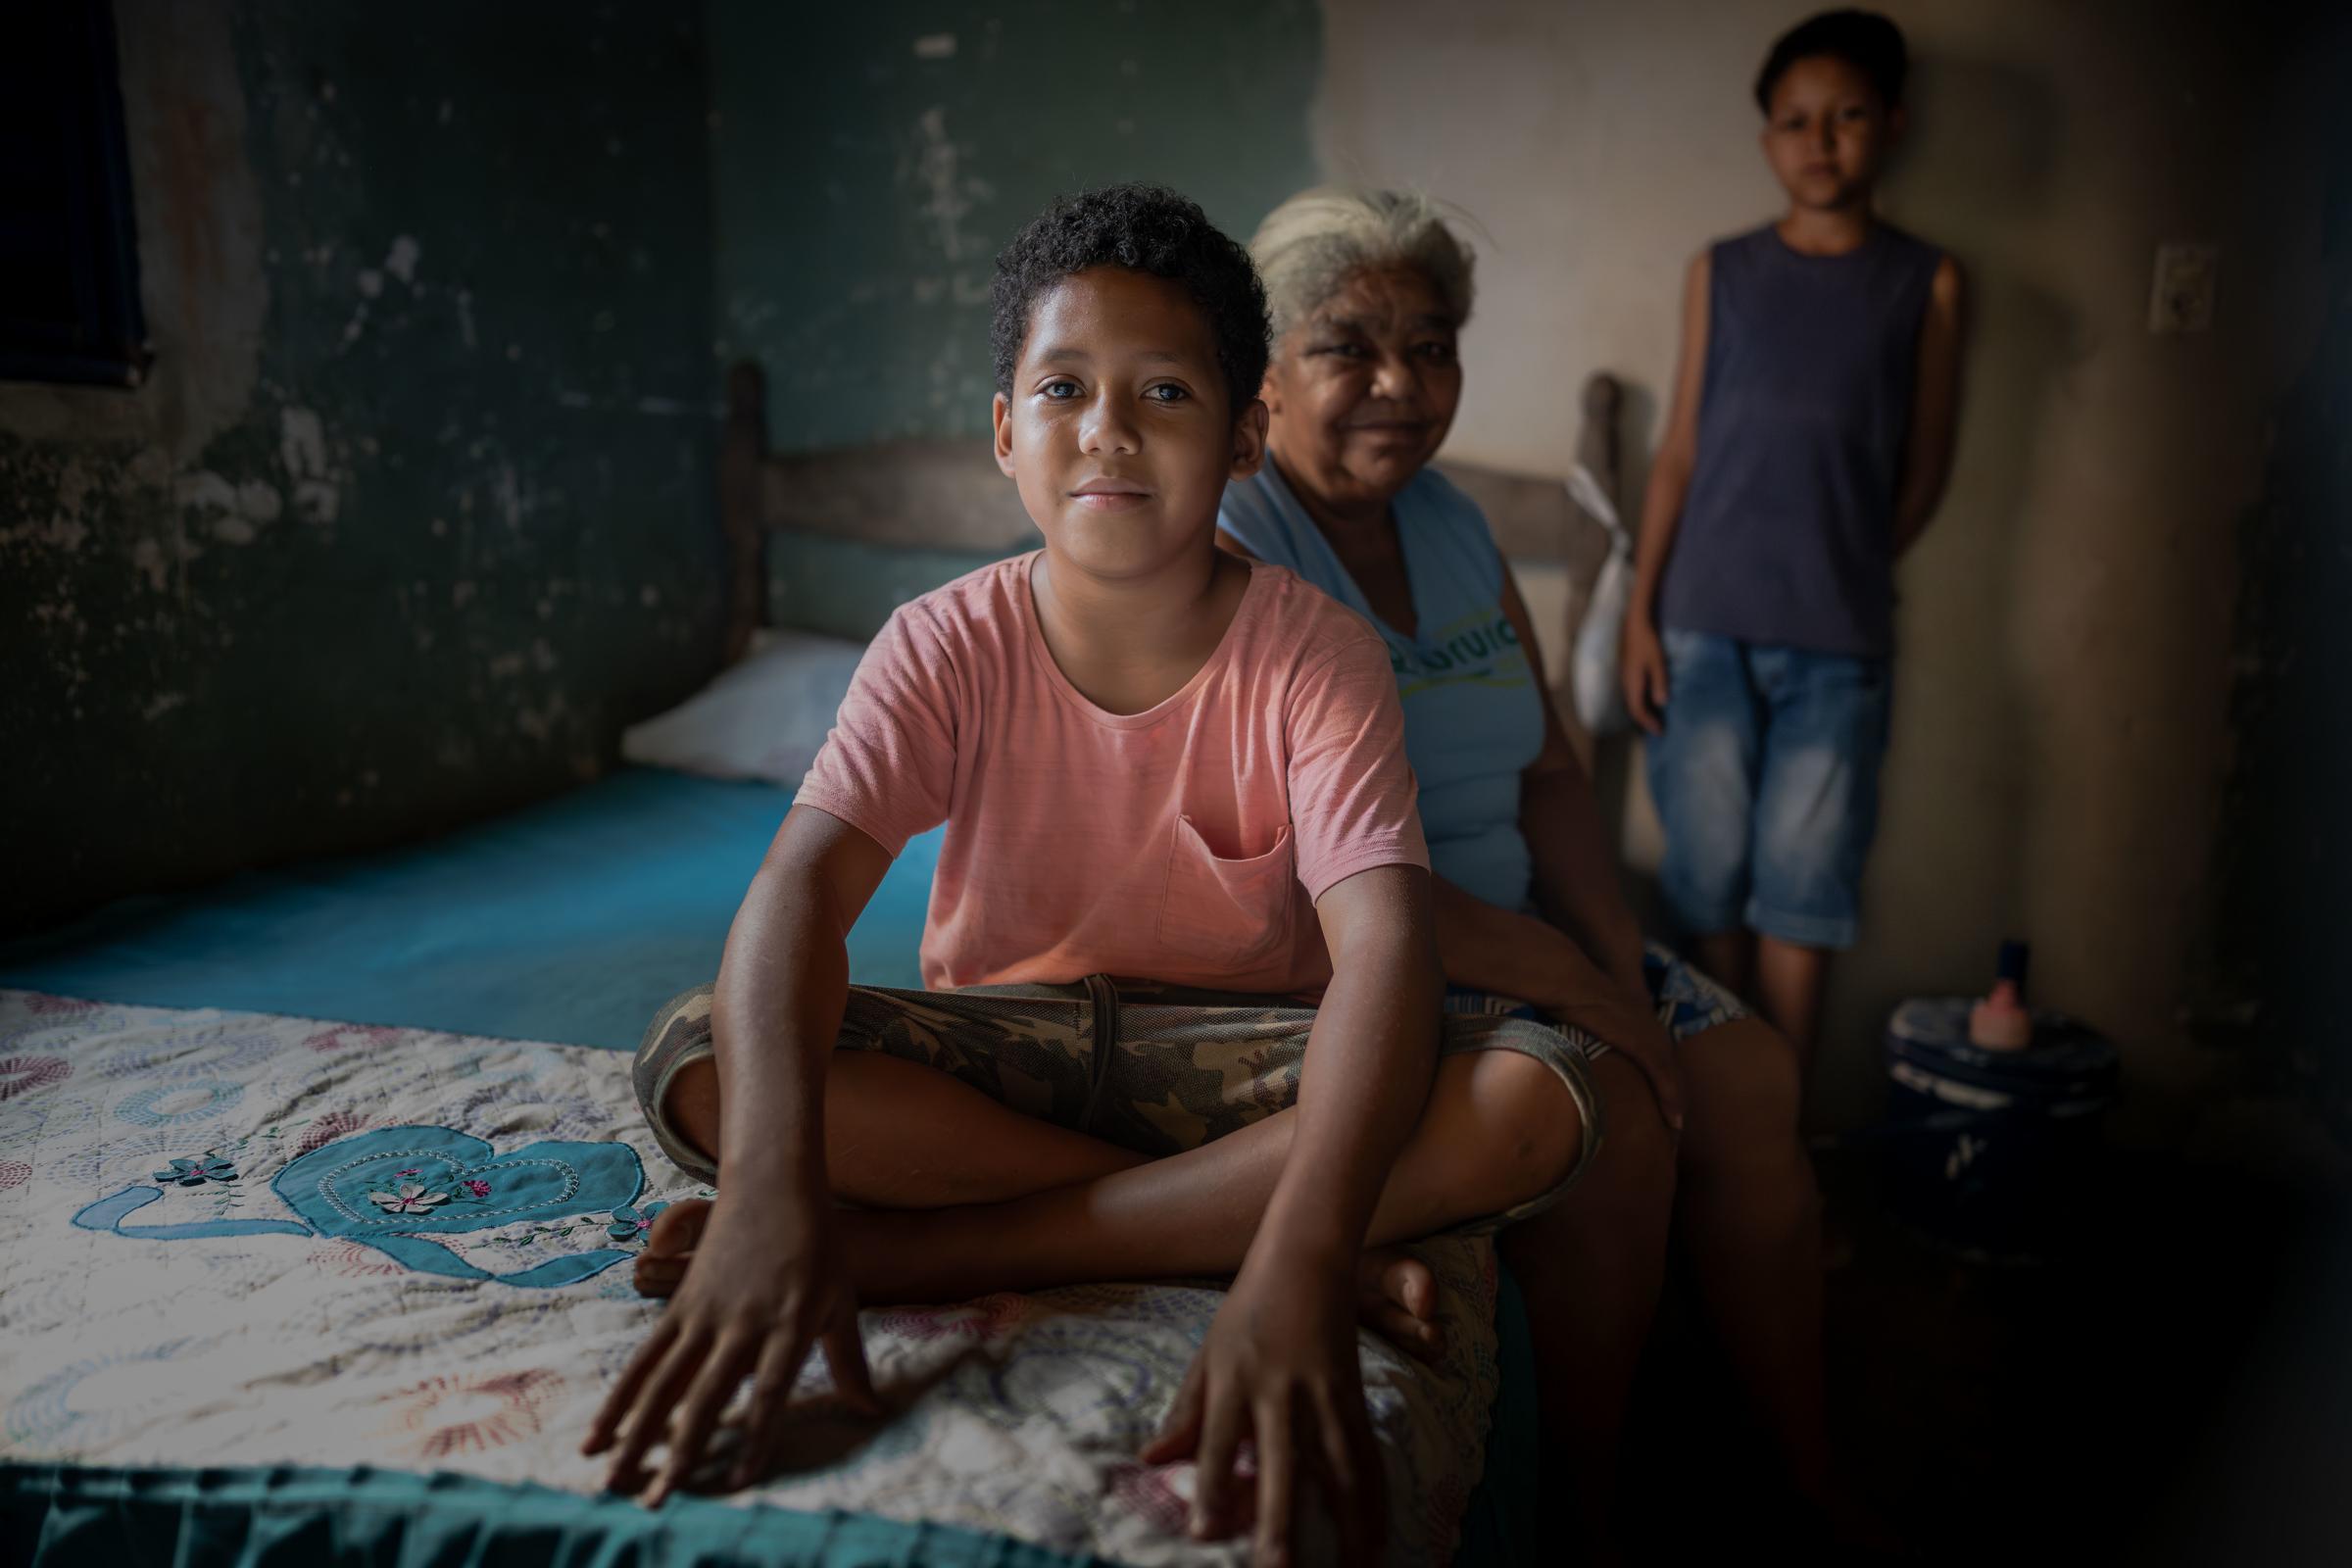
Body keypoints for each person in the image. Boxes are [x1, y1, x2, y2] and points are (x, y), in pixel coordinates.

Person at [583, 183, 1598, 1568]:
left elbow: (1386, 952)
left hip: (1247, 1061)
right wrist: (767, 1190)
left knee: (1536, 1093)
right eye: (1064, 387)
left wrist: (1299, 1261)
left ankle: (931, 1251)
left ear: (1243, 440)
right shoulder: (943, 643)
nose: (1108, 427)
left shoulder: (1315, 655)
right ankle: (1208, 1221)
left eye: (1165, 391)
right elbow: (799, 896)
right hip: (1009, 1051)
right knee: (704, 1057)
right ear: (1008, 431)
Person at [1219, 184, 1836, 1557]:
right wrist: (1580, 988)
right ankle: (1584, 1516)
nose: (1400, 383)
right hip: (1361, 952)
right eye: (1349, 347)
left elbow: (1551, 771)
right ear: (1266, 371)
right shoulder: (1239, 540)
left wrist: (1613, 958)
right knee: (1612, 1123)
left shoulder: (1450, 523)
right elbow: (1295, 868)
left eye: (1431, 348)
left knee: (1750, 1076)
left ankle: (1802, 1478)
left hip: (1521, 924)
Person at [1621, 8, 1966, 1062]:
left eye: (1847, 116)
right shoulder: (1721, 271)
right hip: (1700, 630)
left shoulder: (1927, 281)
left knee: (1803, 890)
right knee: (1706, 880)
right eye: (1795, 120)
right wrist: (1641, 613)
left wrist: (1843, 564)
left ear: (1893, 123)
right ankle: (1725, 1106)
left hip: (1837, 643)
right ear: (1767, 137)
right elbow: (1679, 451)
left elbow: (1925, 467)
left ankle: (1783, 1128)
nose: (1820, 142)